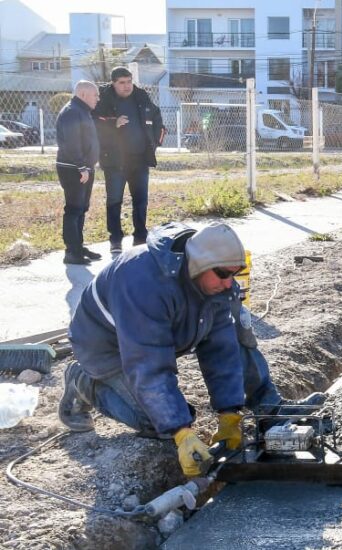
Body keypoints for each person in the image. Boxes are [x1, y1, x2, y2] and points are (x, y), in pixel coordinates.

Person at [58, 222, 324, 477]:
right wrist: (180, 430)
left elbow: (222, 348)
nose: (230, 282)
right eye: (223, 274)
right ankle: (83, 380)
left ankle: (270, 411)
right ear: (200, 264)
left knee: (236, 334)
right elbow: (148, 362)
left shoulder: (214, 280)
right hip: (106, 347)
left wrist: (229, 411)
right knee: (159, 424)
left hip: (160, 332)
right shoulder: (143, 282)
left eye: (234, 274)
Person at [93, 67, 166, 257]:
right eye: (122, 83)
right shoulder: (104, 100)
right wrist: (113, 123)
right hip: (115, 162)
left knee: (141, 201)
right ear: (113, 83)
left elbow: (158, 121)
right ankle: (115, 240)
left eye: (129, 81)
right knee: (114, 201)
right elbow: (93, 123)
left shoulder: (142, 97)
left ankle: (140, 238)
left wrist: (154, 144)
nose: (127, 86)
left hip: (140, 160)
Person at [55, 81, 101, 265]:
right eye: (95, 95)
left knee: (81, 208)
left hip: (83, 168)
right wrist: (81, 166)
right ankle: (71, 252)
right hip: (73, 168)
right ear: (83, 94)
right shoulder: (72, 111)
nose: (98, 98)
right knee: (73, 209)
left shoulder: (82, 111)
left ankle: (78, 246)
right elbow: (71, 142)